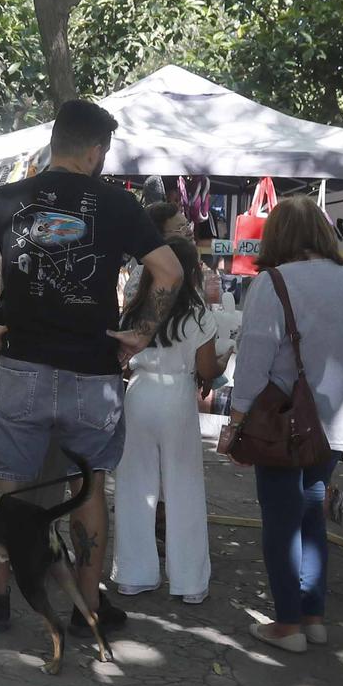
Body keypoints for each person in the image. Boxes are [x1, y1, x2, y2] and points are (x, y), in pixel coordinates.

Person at [0, 99, 182, 634]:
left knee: (8, 483)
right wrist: (139, 334)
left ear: (55, 142)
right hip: (92, 373)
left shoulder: (8, 199)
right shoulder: (118, 205)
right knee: (88, 489)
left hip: (22, 364)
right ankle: (86, 605)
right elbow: (167, 271)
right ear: (96, 150)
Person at [224, 200, 343, 651]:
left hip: (284, 421)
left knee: (281, 520)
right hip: (337, 424)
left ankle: (287, 623)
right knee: (311, 512)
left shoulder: (273, 283)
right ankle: (312, 616)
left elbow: (253, 358)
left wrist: (236, 420)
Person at [113, 236, 227, 604]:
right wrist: (223, 361)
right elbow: (207, 368)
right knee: (184, 488)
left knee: (134, 487)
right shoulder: (198, 313)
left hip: (139, 391)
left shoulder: (136, 307)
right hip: (177, 394)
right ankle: (189, 582)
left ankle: (133, 574)